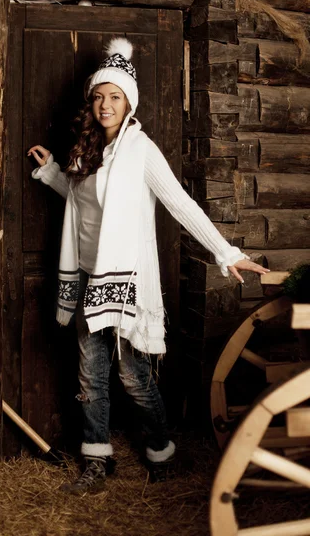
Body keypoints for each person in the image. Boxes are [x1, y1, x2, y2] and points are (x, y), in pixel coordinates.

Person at [27, 38, 269, 495]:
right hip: (86, 278)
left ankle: (161, 450)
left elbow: (180, 203)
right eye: (99, 96)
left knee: (133, 376)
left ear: (128, 102)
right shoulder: (84, 151)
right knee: (89, 376)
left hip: (125, 284)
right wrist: (55, 173)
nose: (104, 105)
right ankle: (97, 459)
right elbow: (84, 205)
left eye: (114, 96)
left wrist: (227, 253)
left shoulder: (142, 151)